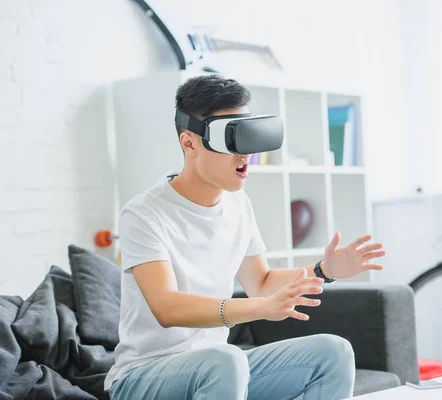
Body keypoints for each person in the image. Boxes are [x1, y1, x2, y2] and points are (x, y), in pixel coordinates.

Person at [104, 75, 386, 400]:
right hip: (142, 378)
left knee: (333, 353)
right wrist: (259, 308)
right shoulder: (144, 213)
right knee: (226, 360)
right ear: (189, 142)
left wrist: (324, 270)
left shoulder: (238, 204)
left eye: (248, 137)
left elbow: (262, 282)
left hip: (216, 368)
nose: (246, 155)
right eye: (230, 140)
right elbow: (167, 307)